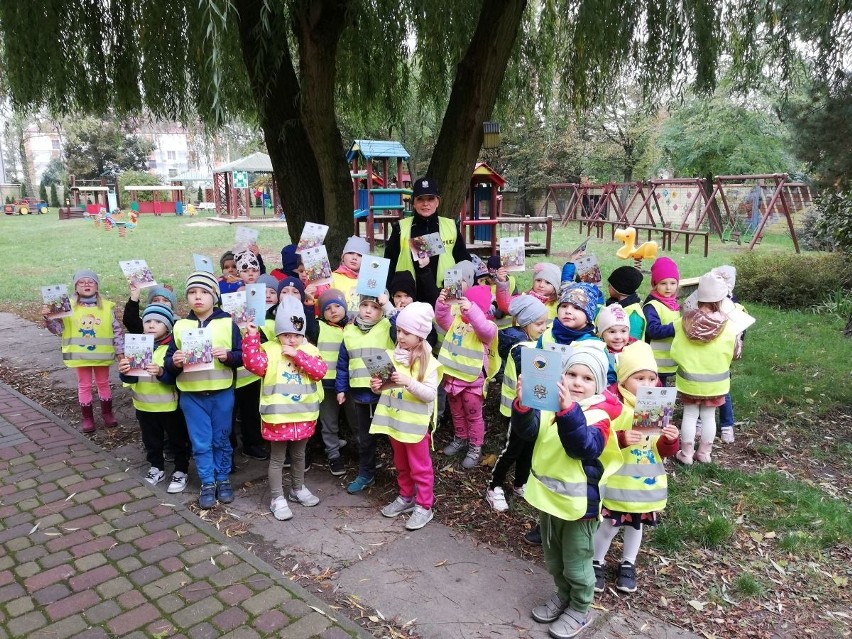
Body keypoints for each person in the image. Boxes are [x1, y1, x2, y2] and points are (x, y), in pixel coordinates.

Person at [512, 346, 622, 639]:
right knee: (554, 557)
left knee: (577, 561)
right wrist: (522, 407)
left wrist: (567, 412)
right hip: (550, 499)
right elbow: (528, 433)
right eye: (571, 374)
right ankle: (563, 595)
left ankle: (580, 607)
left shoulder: (600, 416)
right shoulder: (550, 405)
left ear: (598, 385)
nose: (576, 383)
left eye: (587, 378)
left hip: (580, 506)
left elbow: (583, 447)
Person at [593, 341, 679, 594]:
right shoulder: (614, 406)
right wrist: (620, 438)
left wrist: (669, 440)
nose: (647, 384)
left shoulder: (658, 407)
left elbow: (660, 450)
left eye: (651, 378)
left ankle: (628, 563)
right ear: (623, 379)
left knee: (636, 525)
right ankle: (595, 561)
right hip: (618, 483)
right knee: (609, 525)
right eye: (639, 377)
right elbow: (600, 441)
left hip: (644, 484)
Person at [243, 296, 328, 521]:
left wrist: (298, 356)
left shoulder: (309, 349)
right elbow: (253, 365)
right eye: (286, 335)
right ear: (278, 333)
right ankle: (277, 497)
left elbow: (320, 371)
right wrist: (251, 337)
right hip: (277, 416)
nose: (292, 339)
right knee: (278, 459)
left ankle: (297, 488)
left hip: (304, 414)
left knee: (299, 455)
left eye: (297, 335)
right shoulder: (269, 350)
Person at [165, 271, 243, 509]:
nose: (198, 297)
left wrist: (228, 356)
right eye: (192, 292)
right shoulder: (180, 326)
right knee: (200, 443)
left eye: (204, 292)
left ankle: (223, 478)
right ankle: (207, 482)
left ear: (215, 297)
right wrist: (175, 362)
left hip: (222, 393)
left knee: (221, 439)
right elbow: (168, 364)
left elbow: (241, 357)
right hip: (192, 396)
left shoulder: (228, 323)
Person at [371, 302, 441, 531]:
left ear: (420, 335)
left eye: (406, 333)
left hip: (415, 424)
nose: (399, 336)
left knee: (420, 467)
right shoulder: (392, 355)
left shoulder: (428, 362)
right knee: (400, 463)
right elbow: (385, 388)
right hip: (394, 421)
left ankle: (424, 505)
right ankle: (405, 497)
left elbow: (429, 395)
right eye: (399, 331)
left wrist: (409, 382)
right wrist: (377, 386)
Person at [118, 304, 191, 493]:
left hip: (170, 406)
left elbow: (174, 377)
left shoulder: (171, 349)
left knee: (177, 440)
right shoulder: (137, 346)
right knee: (151, 440)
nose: (151, 325)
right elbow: (130, 378)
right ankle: (156, 467)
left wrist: (160, 372)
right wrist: (125, 371)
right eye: (148, 321)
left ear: (168, 326)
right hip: (143, 404)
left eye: (158, 322)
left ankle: (181, 470)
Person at [43, 270, 123, 433]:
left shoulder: (107, 307)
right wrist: (49, 318)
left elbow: (116, 330)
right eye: (82, 282)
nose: (86, 284)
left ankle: (107, 414)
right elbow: (58, 329)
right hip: (79, 356)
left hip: (102, 355)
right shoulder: (66, 307)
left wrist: (120, 351)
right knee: (84, 386)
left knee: (103, 384)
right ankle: (88, 418)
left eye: (90, 282)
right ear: (75, 287)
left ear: (97, 286)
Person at [489, 295, 549, 512]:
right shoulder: (521, 348)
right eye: (538, 323)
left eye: (546, 323)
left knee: (529, 448)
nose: (544, 328)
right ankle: (494, 485)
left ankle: (520, 483)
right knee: (512, 449)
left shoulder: (535, 343)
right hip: (519, 409)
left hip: (536, 407)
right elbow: (534, 373)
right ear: (523, 323)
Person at [670, 272, 738, 464]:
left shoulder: (683, 322)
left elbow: (674, 351)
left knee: (690, 415)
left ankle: (686, 454)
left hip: (689, 381)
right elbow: (735, 353)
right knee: (709, 417)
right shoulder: (730, 326)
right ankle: (704, 453)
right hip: (716, 383)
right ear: (721, 299)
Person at [336, 295, 395, 493]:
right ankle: (365, 473)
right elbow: (343, 364)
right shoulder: (349, 330)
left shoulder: (388, 326)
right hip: (360, 394)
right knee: (365, 438)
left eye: (375, 307)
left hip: (386, 393)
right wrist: (341, 389)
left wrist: (387, 303)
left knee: (393, 437)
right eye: (364, 306)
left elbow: (402, 325)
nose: (368, 310)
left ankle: (404, 477)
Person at [436, 284, 498, 469]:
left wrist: (472, 311)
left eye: (471, 305)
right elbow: (441, 318)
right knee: (456, 412)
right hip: (453, 379)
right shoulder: (456, 322)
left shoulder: (488, 327)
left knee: (474, 416)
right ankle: (460, 438)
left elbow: (484, 330)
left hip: (473, 382)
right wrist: (442, 303)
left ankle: (475, 446)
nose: (464, 308)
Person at [384, 177, 471, 289]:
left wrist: (457, 288)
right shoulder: (400, 228)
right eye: (420, 199)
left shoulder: (451, 226)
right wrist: (387, 294)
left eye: (430, 199)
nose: (425, 203)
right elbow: (388, 265)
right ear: (413, 202)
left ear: (437, 202)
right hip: (408, 298)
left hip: (445, 296)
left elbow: (464, 261)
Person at [315, 289, 349, 476]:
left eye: (337, 306)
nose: (333, 311)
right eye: (328, 308)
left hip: (350, 383)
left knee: (356, 422)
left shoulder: (354, 327)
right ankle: (333, 455)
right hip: (327, 383)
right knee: (329, 422)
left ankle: (365, 454)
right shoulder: (318, 327)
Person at [711, 265, 742, 444]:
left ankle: (726, 425)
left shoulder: (733, 305)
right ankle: (701, 422)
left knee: (724, 390)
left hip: (722, 354)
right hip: (706, 353)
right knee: (704, 388)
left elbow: (740, 330)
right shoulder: (705, 300)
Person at [643, 257, 681, 387]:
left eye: (673, 283)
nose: (668, 288)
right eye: (663, 283)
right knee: (655, 393)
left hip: (668, 360)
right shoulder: (652, 305)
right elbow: (653, 330)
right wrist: (677, 327)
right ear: (655, 284)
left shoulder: (673, 304)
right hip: (654, 360)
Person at [495, 262, 561, 321]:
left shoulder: (560, 305)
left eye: (547, 282)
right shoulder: (524, 298)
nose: (541, 285)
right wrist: (502, 283)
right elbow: (506, 306)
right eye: (538, 280)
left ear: (555, 287)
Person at [329, 236, 371, 317]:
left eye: (360, 255)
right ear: (343, 256)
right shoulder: (331, 278)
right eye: (351, 253)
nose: (354, 258)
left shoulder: (369, 281)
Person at [595, 303, 635, 384]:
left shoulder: (635, 351)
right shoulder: (598, 351)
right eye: (612, 332)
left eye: (623, 331)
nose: (618, 337)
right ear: (601, 334)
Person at [605, 266, 646, 340]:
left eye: (610, 285)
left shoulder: (634, 313)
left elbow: (633, 340)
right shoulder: (613, 303)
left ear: (618, 289)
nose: (608, 286)